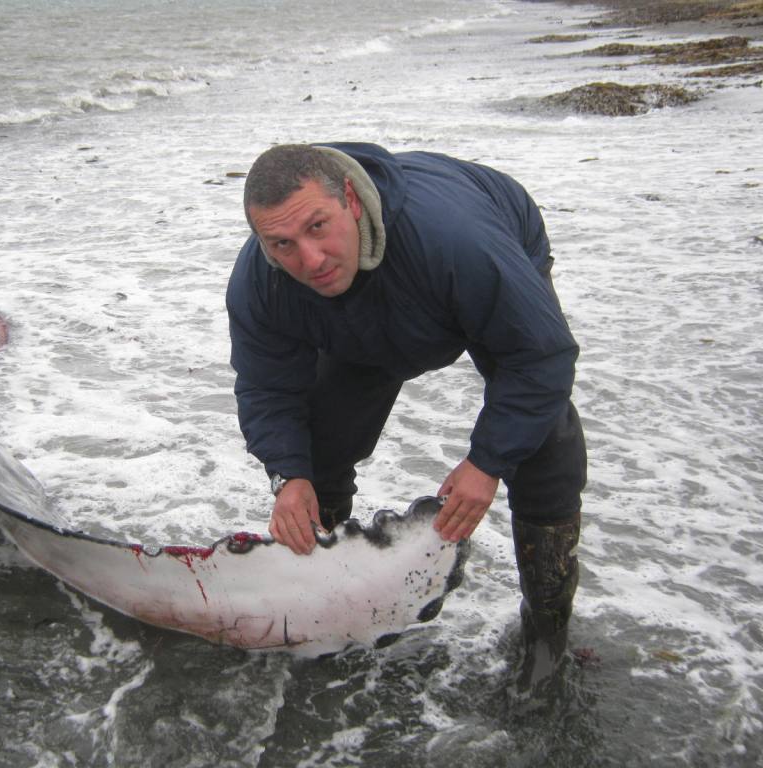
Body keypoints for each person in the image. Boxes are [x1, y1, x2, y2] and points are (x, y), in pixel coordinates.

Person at [225, 142, 587, 696]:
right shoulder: (263, 281)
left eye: (318, 226)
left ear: (350, 199)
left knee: (541, 444)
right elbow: (267, 387)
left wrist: (487, 463)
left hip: (465, 257)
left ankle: (546, 631)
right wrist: (287, 475)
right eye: (283, 244)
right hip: (368, 308)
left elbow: (540, 358)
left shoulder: (459, 240)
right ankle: (328, 599)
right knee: (315, 450)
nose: (311, 259)